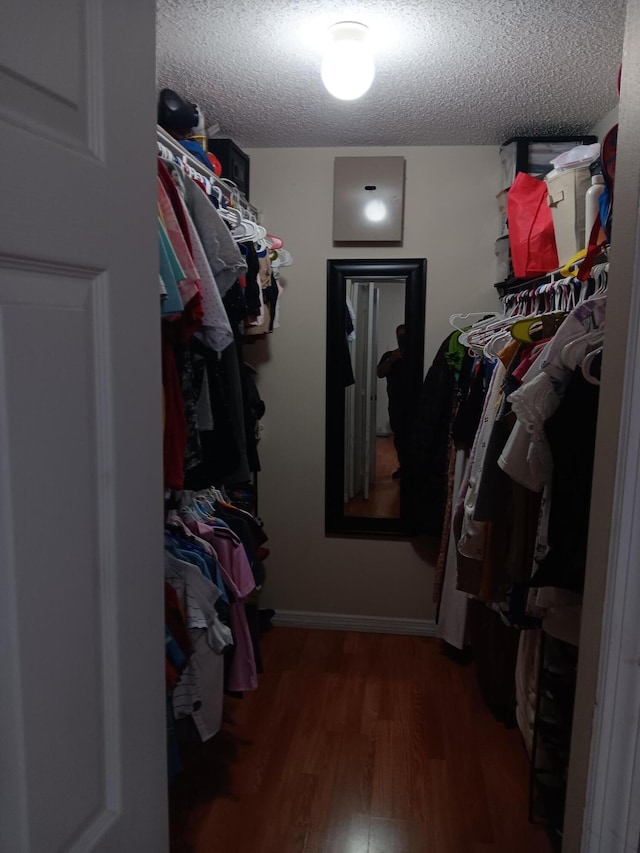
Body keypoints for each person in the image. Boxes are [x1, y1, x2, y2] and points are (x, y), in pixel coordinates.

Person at [377, 324, 409, 479]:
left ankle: (411, 469)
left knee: (412, 438)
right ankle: (403, 466)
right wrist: (391, 359)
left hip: (413, 403)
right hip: (395, 404)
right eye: (399, 335)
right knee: (399, 438)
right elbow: (380, 373)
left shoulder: (416, 354)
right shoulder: (389, 355)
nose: (401, 338)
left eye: (404, 335)